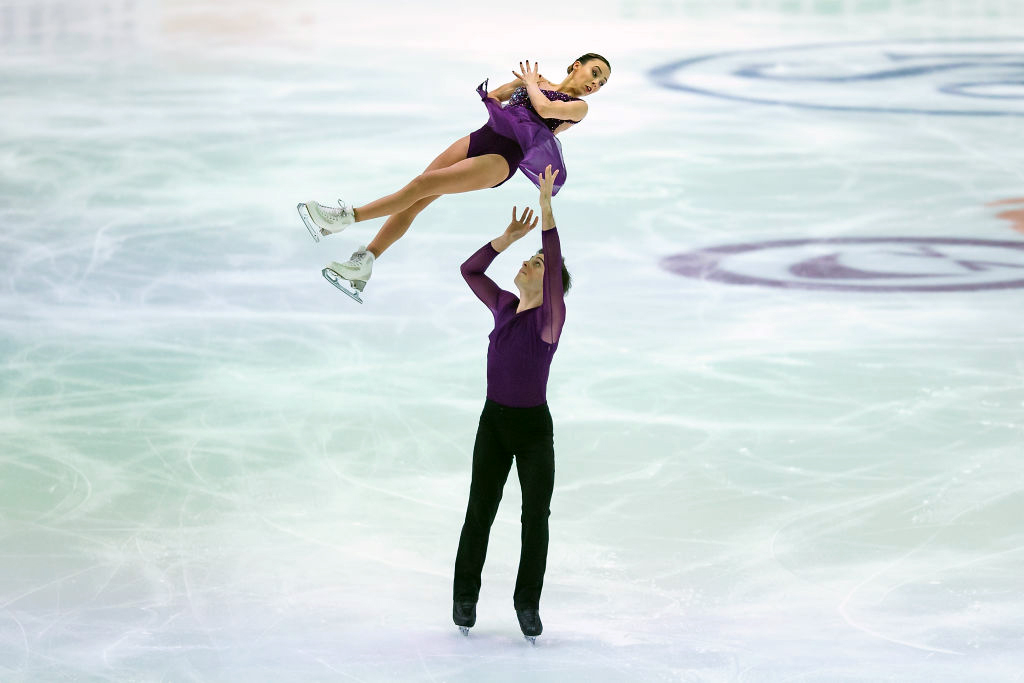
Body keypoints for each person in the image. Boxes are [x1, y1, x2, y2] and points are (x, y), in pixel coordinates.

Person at [297, 54, 609, 301]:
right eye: (594, 73)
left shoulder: (578, 108)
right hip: (483, 137)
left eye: (601, 83)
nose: (594, 84)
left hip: (501, 159)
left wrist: (530, 85)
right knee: (417, 199)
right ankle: (364, 262)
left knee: (421, 186)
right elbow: (496, 98)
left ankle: (345, 217)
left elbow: (543, 106)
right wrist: (515, 86)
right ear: (576, 66)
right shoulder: (535, 80)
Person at [451, 165, 570, 643]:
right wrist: (504, 239)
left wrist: (545, 210)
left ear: (551, 285)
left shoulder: (549, 320)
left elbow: (555, 256)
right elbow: (470, 270)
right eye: (529, 259)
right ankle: (465, 597)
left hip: (533, 430)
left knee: (533, 517)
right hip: (493, 424)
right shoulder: (502, 305)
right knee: (480, 509)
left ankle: (527, 604)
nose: (527, 263)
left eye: (537, 264)